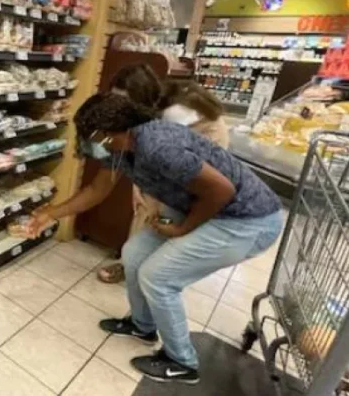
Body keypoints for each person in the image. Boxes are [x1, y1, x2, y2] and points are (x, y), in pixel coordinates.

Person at [33, 93, 283, 384]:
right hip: (203, 207)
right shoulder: (118, 147)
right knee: (134, 254)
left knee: (158, 276)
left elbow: (221, 191)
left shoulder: (158, 146)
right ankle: (143, 326)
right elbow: (97, 190)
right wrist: (51, 213)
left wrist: (183, 229)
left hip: (245, 219)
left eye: (94, 137)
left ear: (113, 131)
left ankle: (182, 361)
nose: (91, 144)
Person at [97, 64, 230, 284]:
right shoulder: (146, 110)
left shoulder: (174, 113)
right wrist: (138, 187)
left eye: (124, 101)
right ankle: (129, 263)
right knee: (144, 207)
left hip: (201, 146)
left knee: (169, 210)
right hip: (173, 148)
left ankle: (152, 269)